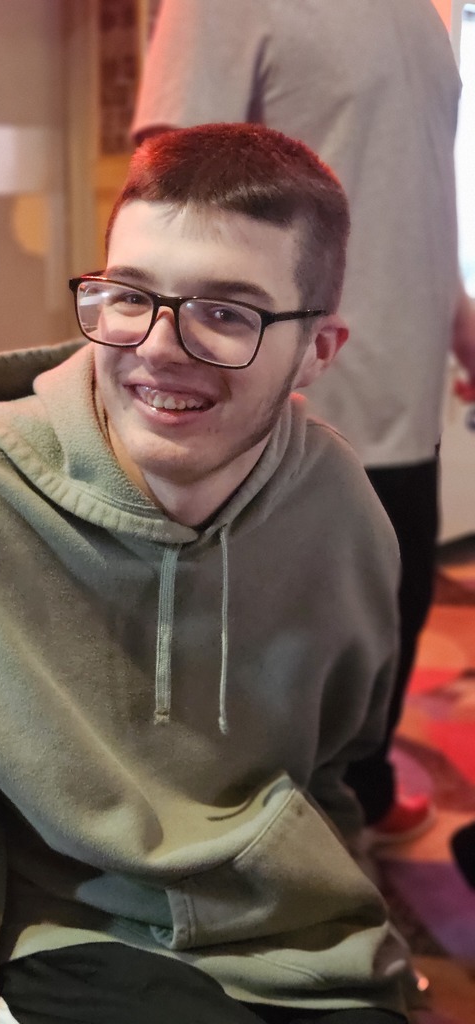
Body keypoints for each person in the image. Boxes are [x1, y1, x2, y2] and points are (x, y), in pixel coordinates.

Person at [0, 123, 410, 1024]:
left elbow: (331, 772)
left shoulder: (341, 509)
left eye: (228, 311)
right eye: (130, 296)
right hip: (73, 946)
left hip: (299, 949)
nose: (161, 345)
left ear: (318, 351)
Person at [132, 0, 475, 844]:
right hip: (284, 393)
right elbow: (164, 188)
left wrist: (463, 320)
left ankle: (354, 796)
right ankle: (255, 854)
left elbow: (418, 192)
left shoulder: (425, 18)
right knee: (266, 654)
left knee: (392, 609)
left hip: (405, 380)